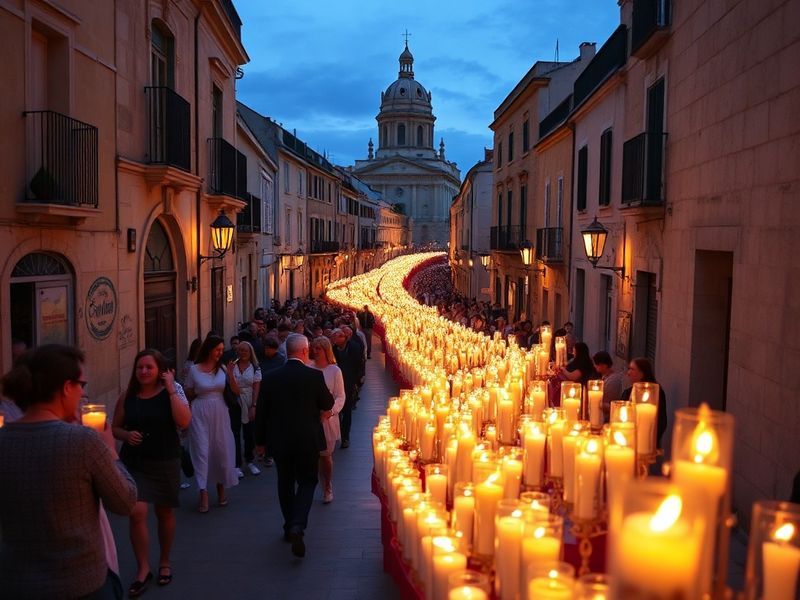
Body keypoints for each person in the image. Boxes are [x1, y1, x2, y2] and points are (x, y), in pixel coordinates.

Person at [0, 344, 137, 599]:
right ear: (65, 387)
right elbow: (125, 501)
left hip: (15, 582)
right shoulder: (83, 442)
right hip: (80, 582)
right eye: (81, 385)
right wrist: (111, 451)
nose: (82, 393)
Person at [112, 349, 192, 595]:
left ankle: (165, 561)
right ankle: (143, 567)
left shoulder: (170, 394)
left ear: (160, 371)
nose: (144, 371)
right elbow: (115, 428)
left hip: (165, 459)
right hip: (135, 462)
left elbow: (184, 421)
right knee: (137, 512)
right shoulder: (128, 397)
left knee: (164, 512)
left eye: (149, 367)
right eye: (140, 367)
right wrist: (126, 435)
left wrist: (170, 389)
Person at [254, 334, 334, 558]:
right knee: (308, 481)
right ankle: (298, 524)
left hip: (279, 440)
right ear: (305, 351)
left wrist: (259, 442)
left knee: (285, 481)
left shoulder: (270, 378)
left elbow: (262, 413)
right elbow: (327, 403)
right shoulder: (314, 376)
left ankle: (289, 525)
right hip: (307, 440)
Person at [184, 335, 239, 512]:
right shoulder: (194, 370)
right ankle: (203, 492)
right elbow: (189, 393)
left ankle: (221, 487)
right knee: (201, 450)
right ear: (209, 349)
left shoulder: (223, 368)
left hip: (220, 412)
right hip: (200, 411)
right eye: (217, 350)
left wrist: (230, 373)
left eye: (222, 350)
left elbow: (236, 392)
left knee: (220, 450)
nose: (220, 353)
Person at [309, 336, 345, 504]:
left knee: (326, 455)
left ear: (325, 350)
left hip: (327, 418)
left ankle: (328, 485)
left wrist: (331, 411)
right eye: (313, 348)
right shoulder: (308, 367)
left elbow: (340, 396)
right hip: (311, 417)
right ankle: (319, 482)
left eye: (318, 349)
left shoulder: (334, 371)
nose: (315, 351)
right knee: (314, 455)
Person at [621, 357, 669, 448]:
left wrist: (647, 438)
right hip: (628, 442)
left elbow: (661, 422)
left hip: (647, 444)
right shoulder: (627, 392)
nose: (628, 373)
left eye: (632, 369)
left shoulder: (655, 394)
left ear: (642, 373)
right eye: (628, 369)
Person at [231, 341, 262, 477]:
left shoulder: (255, 368)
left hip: (249, 399)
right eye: (240, 350)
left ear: (250, 353)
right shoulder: (233, 367)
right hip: (235, 401)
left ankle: (249, 461)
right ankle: (236, 464)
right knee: (235, 433)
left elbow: (256, 388)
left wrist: (254, 406)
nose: (243, 353)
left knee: (249, 433)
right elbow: (232, 387)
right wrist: (230, 373)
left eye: (245, 350)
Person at [331, 328, 363, 449]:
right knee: (336, 411)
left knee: (347, 411)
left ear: (344, 338)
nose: (335, 339)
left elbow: (359, 363)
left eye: (338, 337)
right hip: (335, 385)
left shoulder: (354, 347)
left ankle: (345, 437)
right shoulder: (332, 349)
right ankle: (337, 433)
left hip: (348, 383)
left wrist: (358, 378)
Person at [592, 351, 626, 420]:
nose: (594, 366)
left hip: (607, 418)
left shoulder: (613, 381)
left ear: (604, 365)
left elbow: (608, 404)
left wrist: (594, 401)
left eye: (596, 364)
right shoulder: (604, 376)